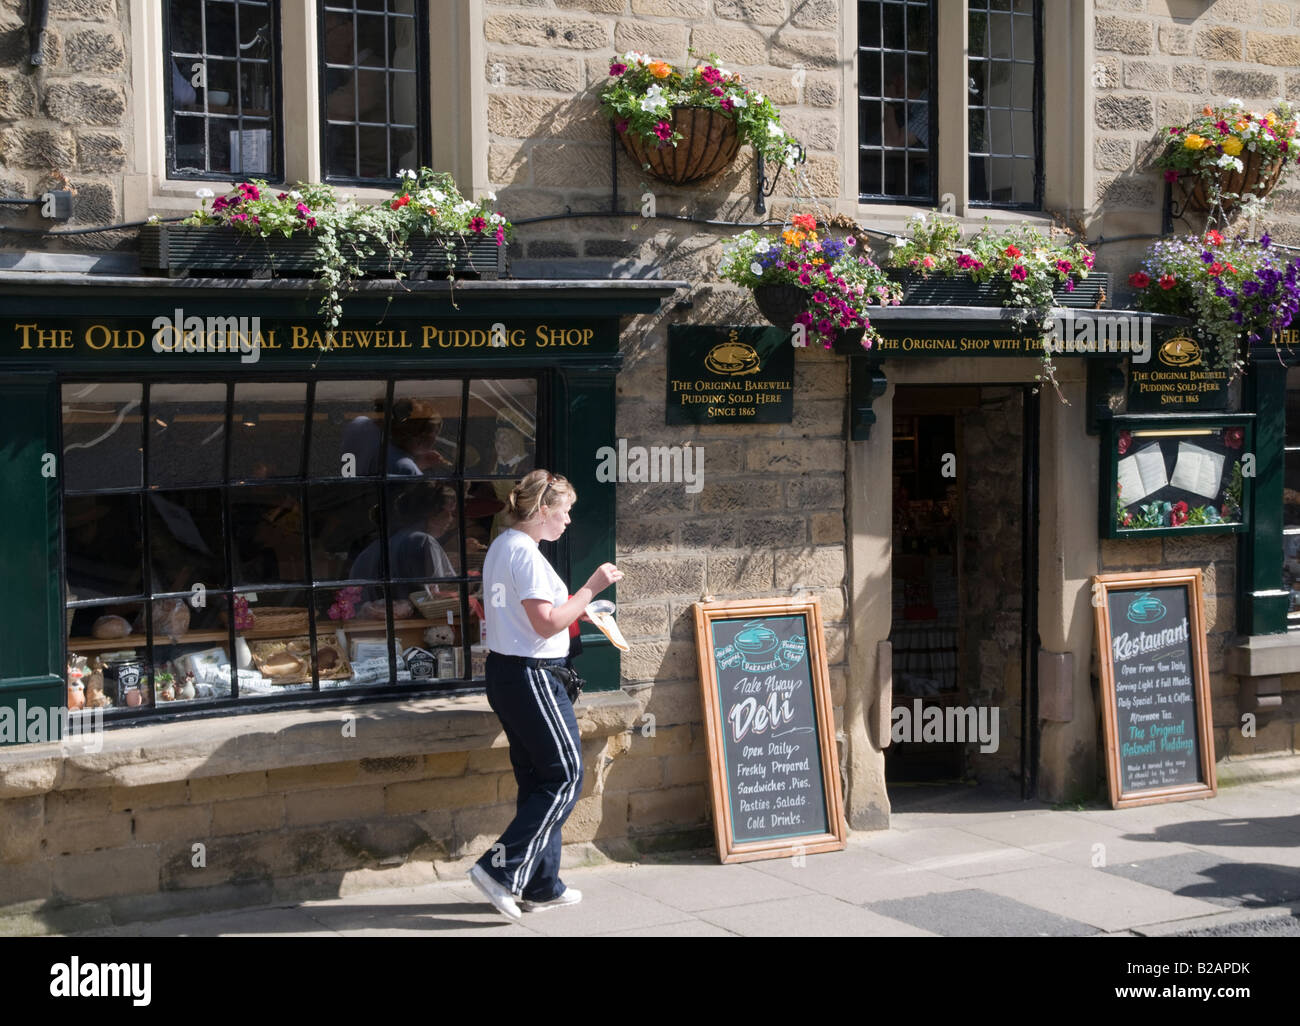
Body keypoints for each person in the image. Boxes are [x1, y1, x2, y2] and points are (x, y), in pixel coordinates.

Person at [467, 470, 621, 921]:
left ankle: (541, 884)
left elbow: (539, 616)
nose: (568, 521)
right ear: (541, 511)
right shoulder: (526, 555)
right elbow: (546, 623)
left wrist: (582, 610)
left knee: (539, 778)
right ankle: (499, 870)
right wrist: (592, 587)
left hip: (511, 673)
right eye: (564, 511)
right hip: (531, 676)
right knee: (566, 776)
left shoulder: (504, 546)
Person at [349, 482, 457, 597]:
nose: (451, 519)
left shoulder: (377, 546)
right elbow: (437, 592)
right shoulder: (422, 540)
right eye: (448, 512)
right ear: (432, 514)